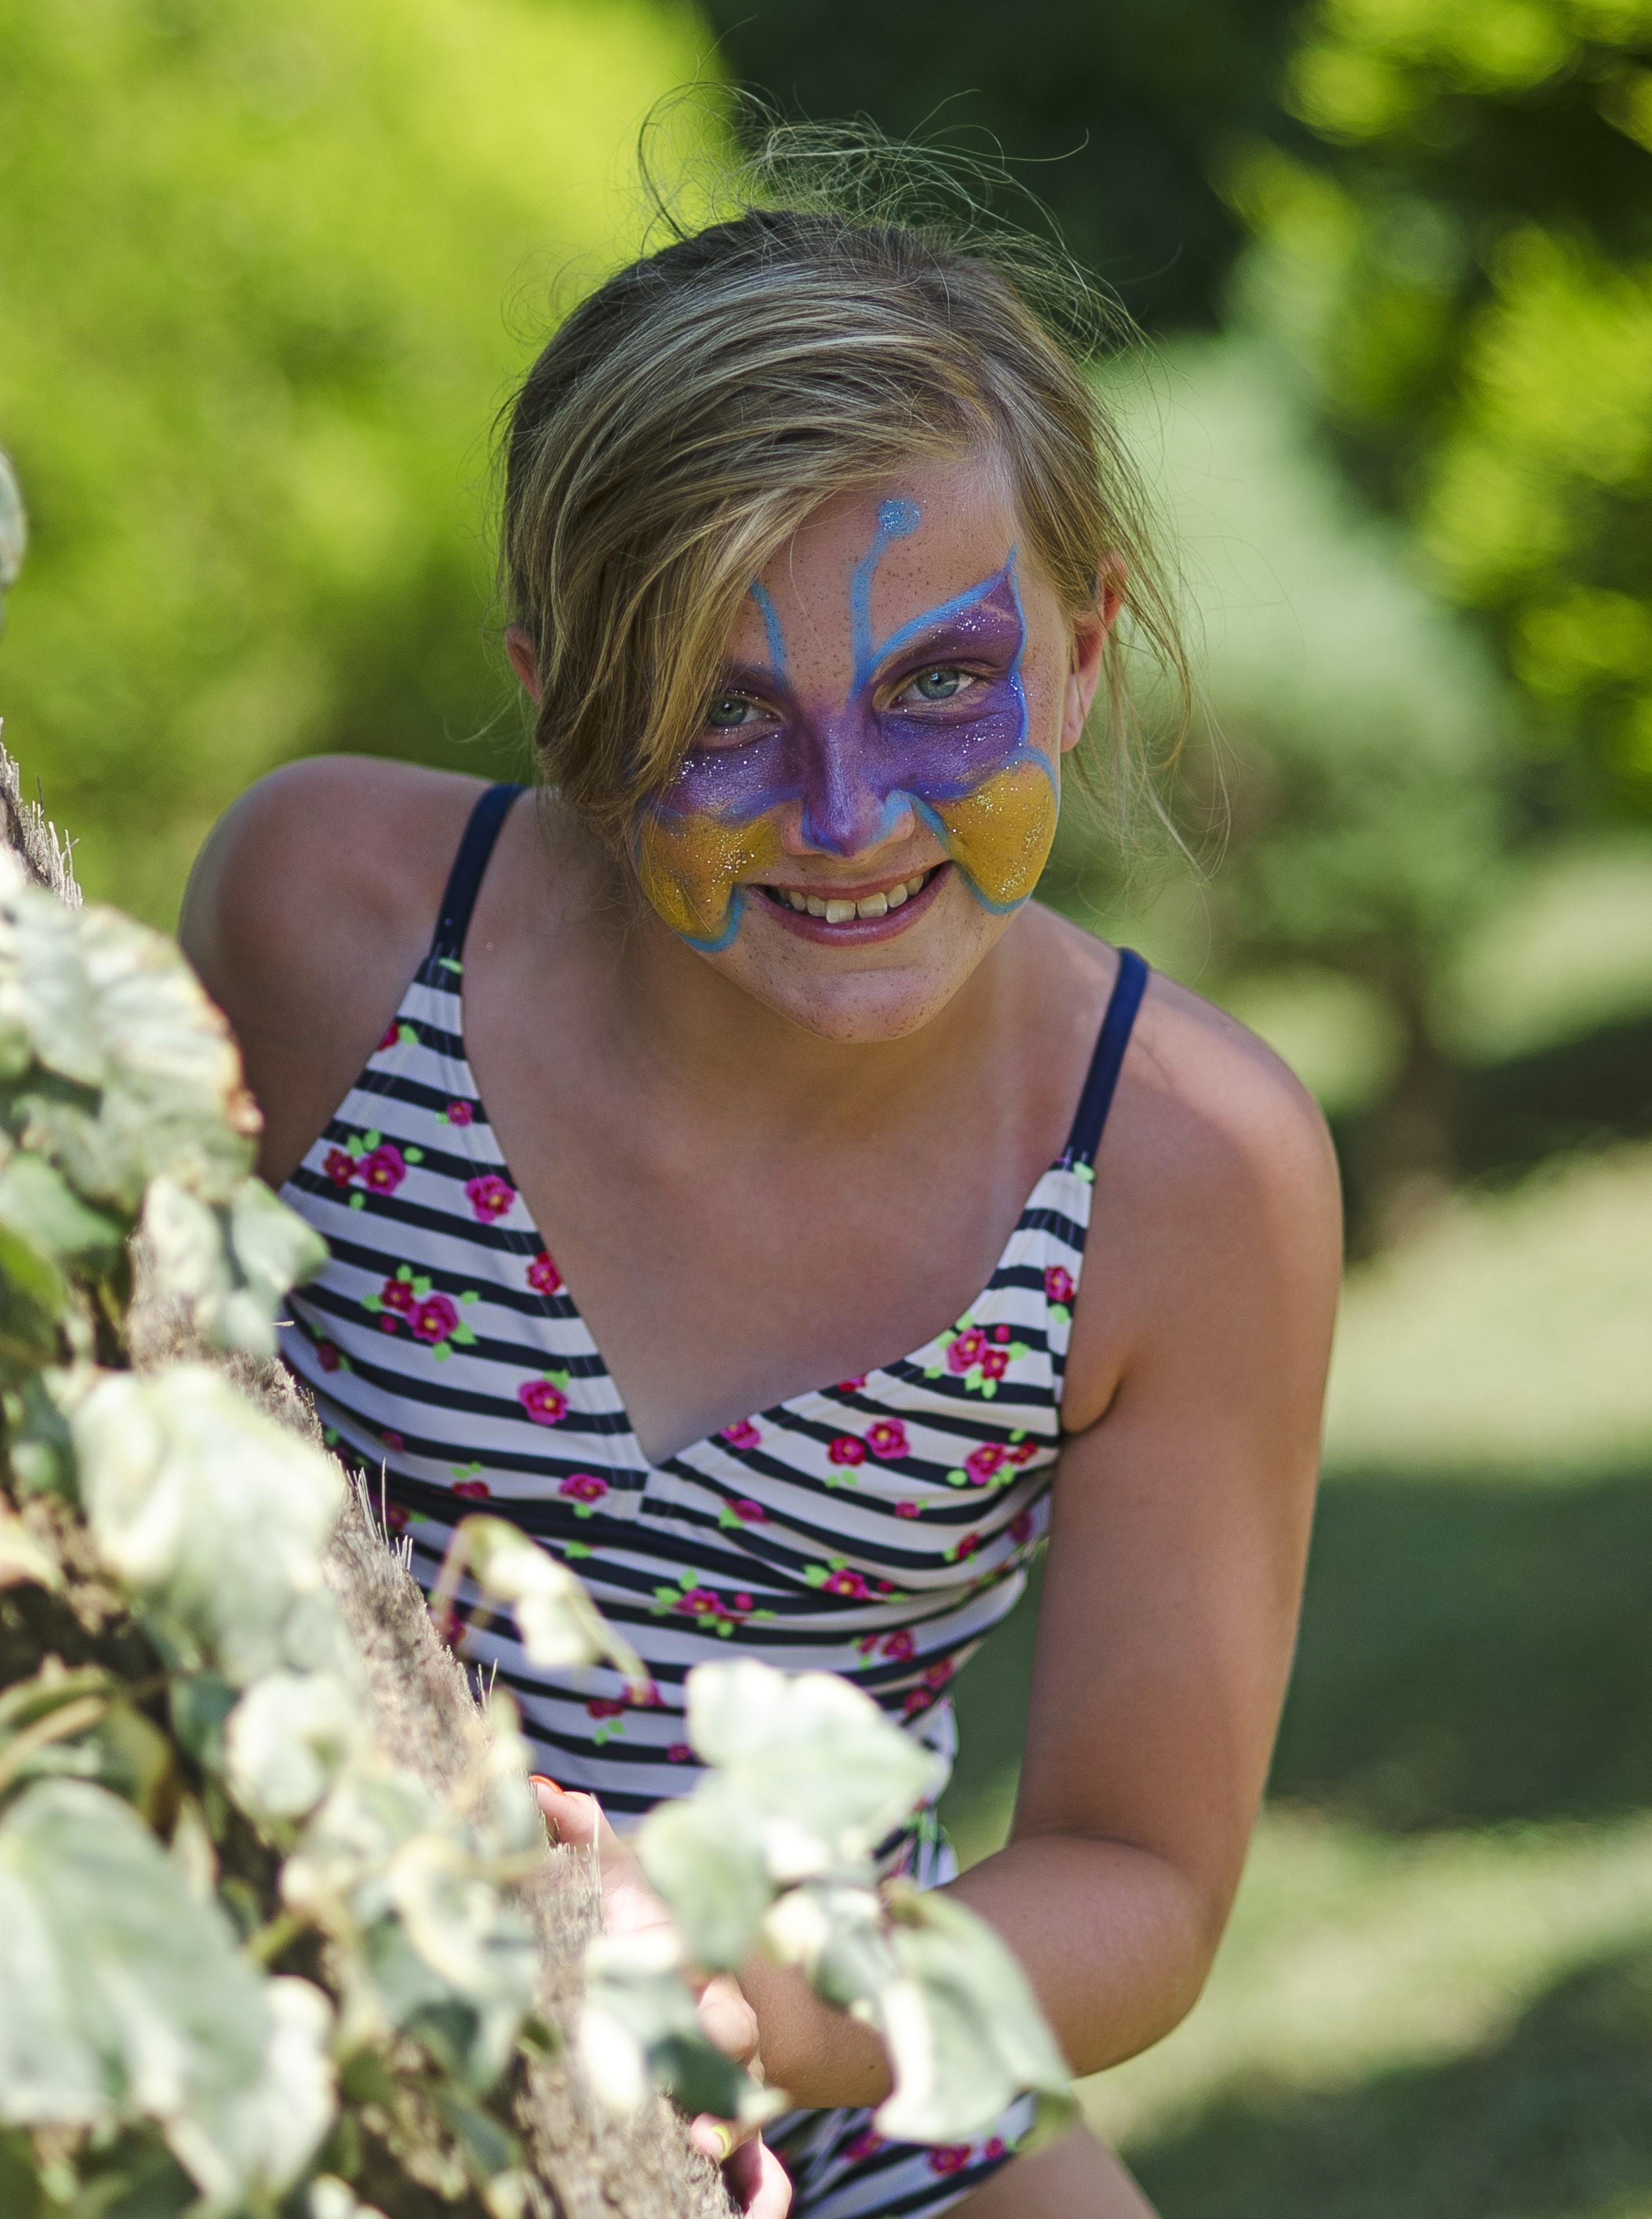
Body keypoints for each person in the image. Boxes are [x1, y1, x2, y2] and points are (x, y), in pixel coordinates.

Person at [183, 176, 1341, 2218]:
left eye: (933, 691)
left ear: (1081, 655)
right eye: (724, 709)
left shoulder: (1186, 1169)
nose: (843, 820)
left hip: (879, 2136)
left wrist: (764, 1989)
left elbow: (1144, 1879)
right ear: (559, 694)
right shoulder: (336, 931)